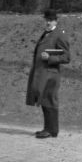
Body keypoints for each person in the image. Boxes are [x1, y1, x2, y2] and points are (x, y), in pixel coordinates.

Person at [26, 9, 71, 139]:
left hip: (51, 74)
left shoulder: (59, 34)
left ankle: (52, 130)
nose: (48, 22)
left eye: (50, 20)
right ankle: (48, 129)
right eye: (46, 20)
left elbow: (66, 57)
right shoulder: (47, 33)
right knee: (45, 100)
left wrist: (50, 58)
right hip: (43, 73)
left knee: (49, 100)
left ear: (56, 21)